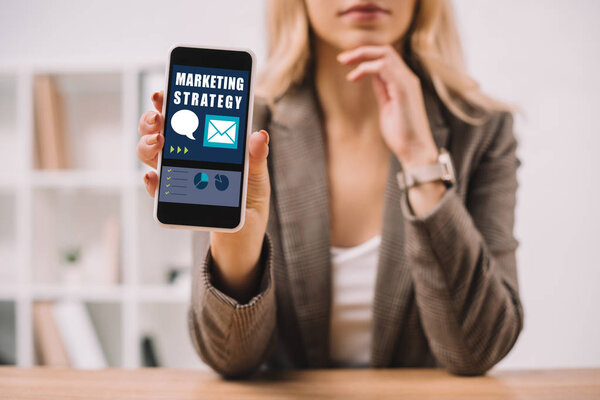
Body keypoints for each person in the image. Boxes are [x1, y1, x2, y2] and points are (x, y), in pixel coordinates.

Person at [137, 0, 523, 378]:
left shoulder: (482, 131)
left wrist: (422, 160)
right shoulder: (245, 126)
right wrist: (238, 241)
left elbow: (478, 348)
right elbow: (230, 359)